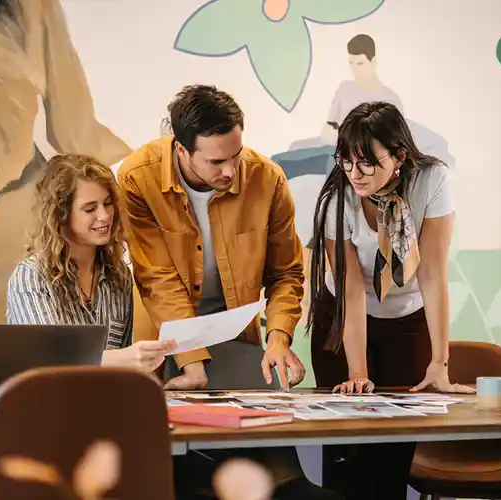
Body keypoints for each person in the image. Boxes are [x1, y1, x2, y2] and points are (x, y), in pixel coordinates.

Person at [118, 84, 340, 499]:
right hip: (163, 344)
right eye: (217, 161)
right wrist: (190, 360)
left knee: (280, 480)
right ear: (181, 150)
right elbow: (157, 277)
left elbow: (287, 272)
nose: (230, 171)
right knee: (169, 475)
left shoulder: (267, 178)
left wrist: (278, 339)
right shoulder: (137, 177)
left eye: (236, 156)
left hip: (238, 343)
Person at [306, 101, 474, 499]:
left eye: (367, 163)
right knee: (349, 450)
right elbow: (349, 289)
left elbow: (431, 274)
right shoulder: (337, 199)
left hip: (406, 318)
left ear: (398, 155)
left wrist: (440, 363)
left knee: (395, 451)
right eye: (345, 161)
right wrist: (358, 372)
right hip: (344, 318)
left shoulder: (431, 181)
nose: (354, 174)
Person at [6, 153, 175, 372]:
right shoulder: (30, 276)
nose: (104, 215)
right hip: (46, 402)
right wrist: (124, 358)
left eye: (107, 204)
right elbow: (47, 360)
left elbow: (119, 370)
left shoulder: (119, 275)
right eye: (90, 209)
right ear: (60, 214)